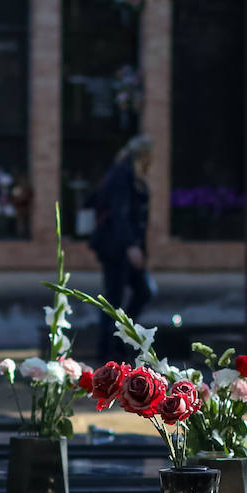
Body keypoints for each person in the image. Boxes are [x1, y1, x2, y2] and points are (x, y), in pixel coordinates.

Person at [88, 134, 156, 359]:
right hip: (116, 247)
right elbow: (120, 213)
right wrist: (130, 246)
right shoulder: (122, 175)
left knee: (142, 291)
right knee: (114, 297)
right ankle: (108, 350)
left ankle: (121, 338)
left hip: (127, 246)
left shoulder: (134, 176)